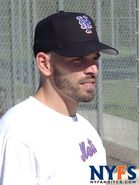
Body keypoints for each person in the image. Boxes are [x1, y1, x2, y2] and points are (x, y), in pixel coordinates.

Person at [0, 11, 118, 185]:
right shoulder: (20, 133)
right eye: (78, 59)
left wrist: (134, 175)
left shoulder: (84, 127)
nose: (93, 69)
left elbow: (94, 176)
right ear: (44, 63)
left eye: (94, 58)